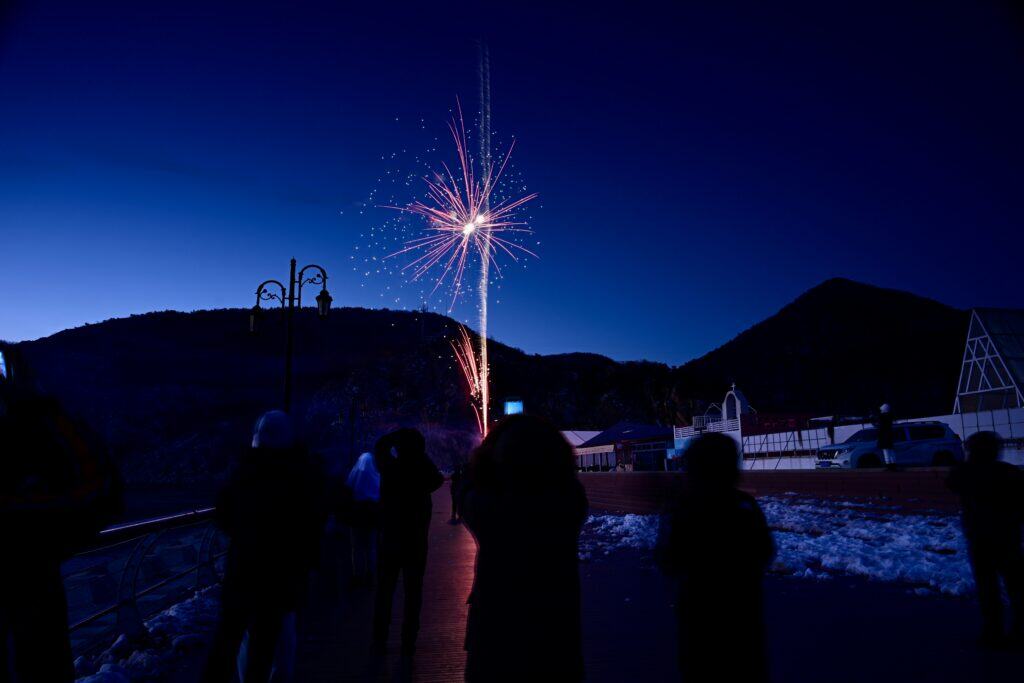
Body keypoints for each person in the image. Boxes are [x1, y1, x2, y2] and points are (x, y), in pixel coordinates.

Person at [0, 343, 122, 683]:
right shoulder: (46, 427)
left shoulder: (38, 426)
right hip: (34, 573)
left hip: (29, 574)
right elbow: (100, 487)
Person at [460, 415, 588, 682]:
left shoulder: (489, 510)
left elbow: (468, 492)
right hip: (557, 639)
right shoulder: (569, 503)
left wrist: (483, 465)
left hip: (495, 642)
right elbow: (570, 483)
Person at [203, 411, 325, 683]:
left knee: (227, 640)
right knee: (264, 644)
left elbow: (223, 514)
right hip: (280, 576)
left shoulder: (241, 472)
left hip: (243, 569)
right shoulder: (300, 475)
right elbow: (312, 523)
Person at [655, 432, 775, 682]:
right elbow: (764, 551)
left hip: (699, 622)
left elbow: (667, 560)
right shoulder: (745, 506)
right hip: (744, 621)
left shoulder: (682, 508)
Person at [371, 428, 443, 659]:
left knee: (384, 592)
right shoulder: (423, 474)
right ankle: (408, 641)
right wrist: (418, 451)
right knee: (414, 594)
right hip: (415, 544)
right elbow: (437, 478)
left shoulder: (389, 468)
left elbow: (380, 448)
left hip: (390, 541)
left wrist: (394, 435)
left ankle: (379, 638)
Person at [947, 431, 1024, 648]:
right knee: (1016, 586)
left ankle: (993, 631)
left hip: (980, 539)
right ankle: (1019, 629)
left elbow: (952, 482)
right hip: (1008, 538)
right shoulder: (1010, 473)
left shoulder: (966, 473)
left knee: (988, 588)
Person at [345, 451, 381, 586]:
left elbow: (348, 488)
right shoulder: (376, 476)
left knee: (357, 546)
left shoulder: (354, 474)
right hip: (371, 515)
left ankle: (358, 574)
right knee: (370, 545)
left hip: (357, 515)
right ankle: (370, 572)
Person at [877, 403, 896, 467]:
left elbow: (880, 427)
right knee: (891, 451)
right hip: (889, 436)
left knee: (886, 451)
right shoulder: (890, 417)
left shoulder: (882, 417)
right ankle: (893, 464)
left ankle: (888, 464)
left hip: (884, 437)